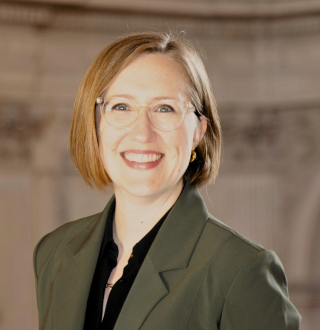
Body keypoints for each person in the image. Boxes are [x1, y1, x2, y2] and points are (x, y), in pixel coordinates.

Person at [33, 31, 301, 330]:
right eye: (121, 106)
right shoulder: (54, 253)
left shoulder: (241, 270)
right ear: (93, 124)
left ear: (198, 132)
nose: (142, 133)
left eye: (165, 108)